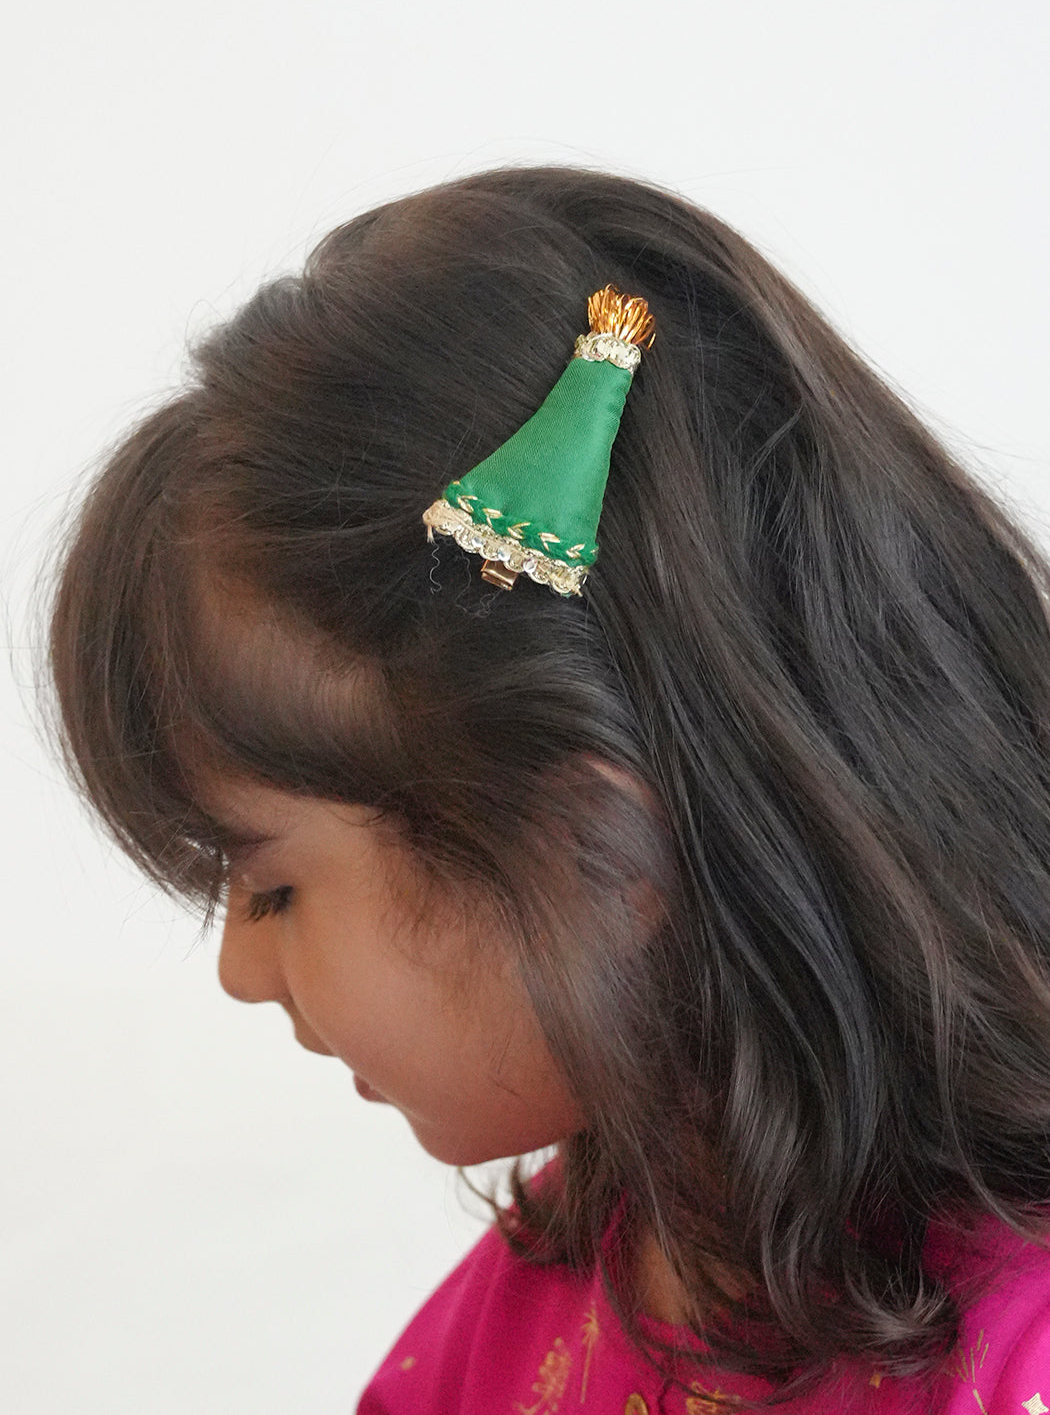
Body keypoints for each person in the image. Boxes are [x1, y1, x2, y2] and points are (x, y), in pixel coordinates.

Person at [44, 164, 1050, 1413]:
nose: (242, 973)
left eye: (273, 888)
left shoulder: (1014, 1359)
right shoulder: (615, 1230)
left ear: (596, 854)